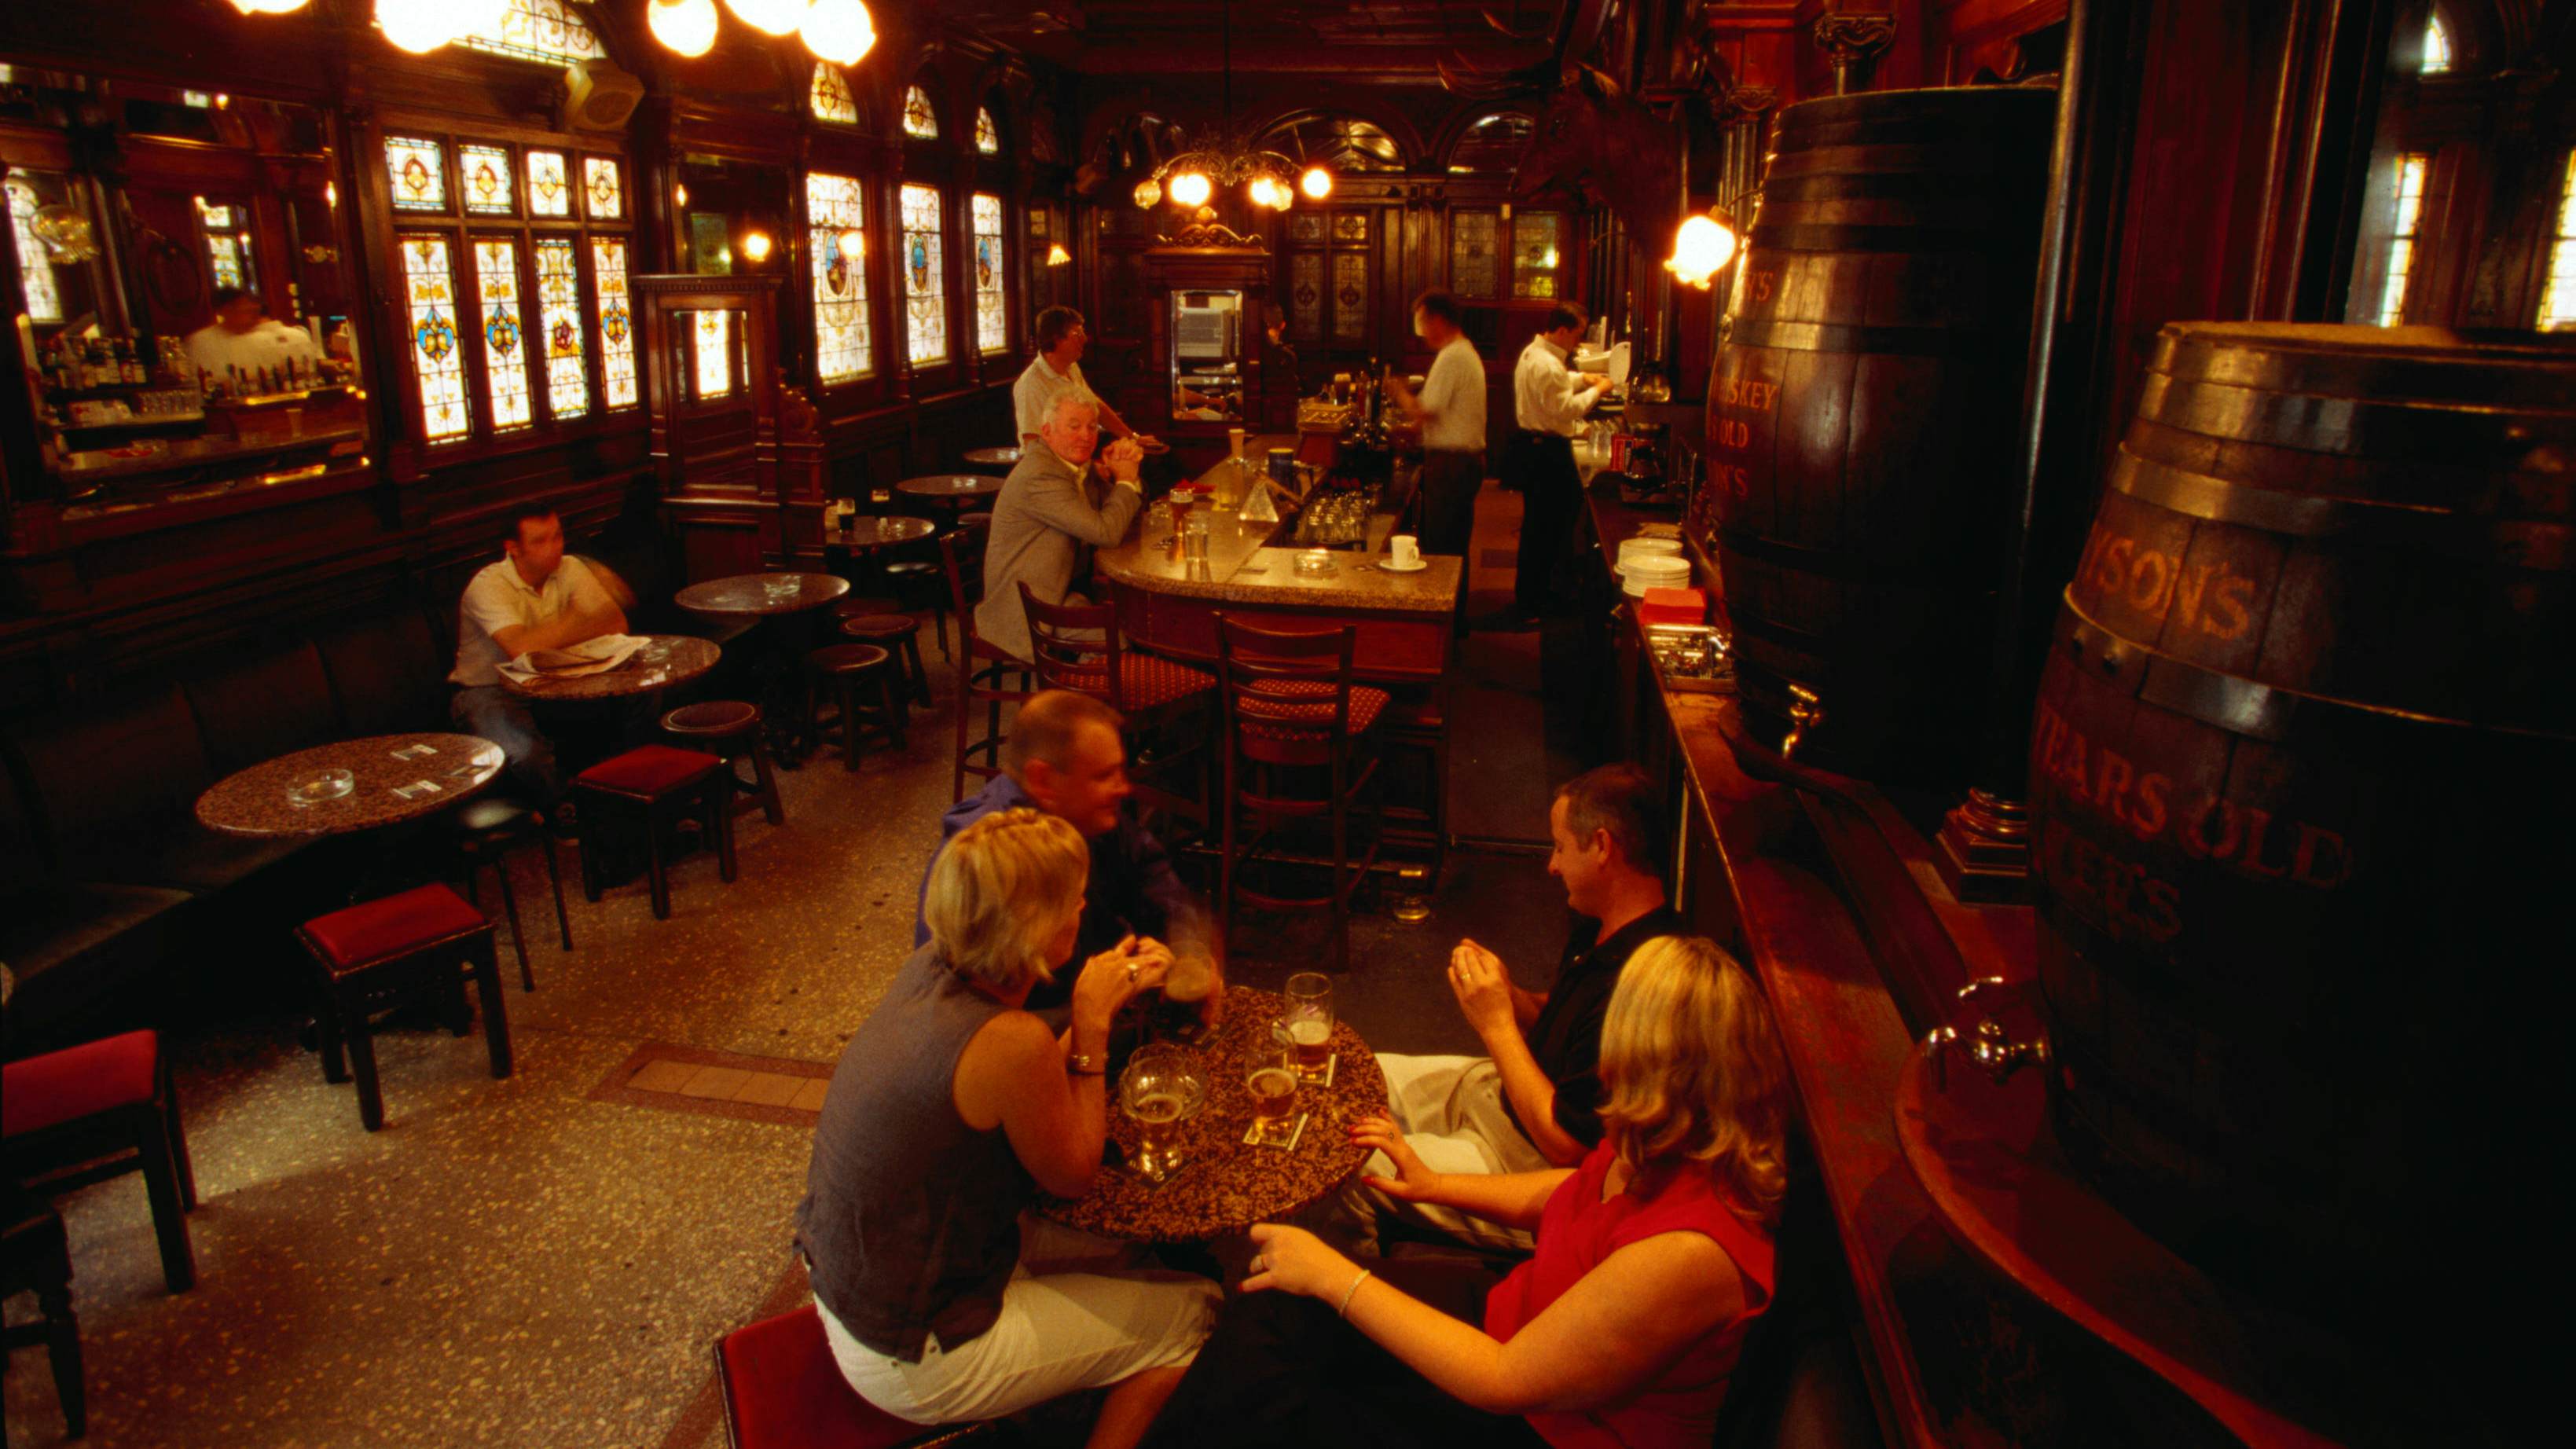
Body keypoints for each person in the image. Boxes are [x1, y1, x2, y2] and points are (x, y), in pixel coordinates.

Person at [1138, 934, 1789, 1449]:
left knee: (1287, 1356)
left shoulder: (1690, 1253)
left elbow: (1504, 1383)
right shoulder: (1672, 1139)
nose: (1605, 1065)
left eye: (1621, 1044)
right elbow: (1573, 1191)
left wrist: (1335, 1277)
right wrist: (1433, 1184)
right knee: (1276, 1314)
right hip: (1515, 1317)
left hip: (1545, 1423)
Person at [799, 809, 1218, 1447]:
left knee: (1135, 1255)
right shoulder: (1010, 1038)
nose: (1084, 907)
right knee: (1195, 1310)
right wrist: (1092, 1019)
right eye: (1075, 902)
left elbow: (1015, 1081)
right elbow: (1074, 1173)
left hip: (850, 1288)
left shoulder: (930, 968)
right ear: (1043, 929)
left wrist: (1102, 1002)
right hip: (917, 1349)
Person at [1340, 763, 1677, 1253]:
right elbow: (1568, 1026)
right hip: (1500, 1094)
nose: (1552, 866)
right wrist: (1512, 998)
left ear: (1603, 847)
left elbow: (1569, 1146)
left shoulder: (1645, 984)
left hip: (1527, 1165)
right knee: (1351, 1073)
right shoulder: (1602, 918)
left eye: (1561, 847)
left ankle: (1342, 1296)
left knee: (1342, 1165)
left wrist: (1496, 1024)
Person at [916, 689, 1220, 1023]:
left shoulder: (1084, 812)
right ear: (1042, 779)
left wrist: (1187, 951)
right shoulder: (988, 865)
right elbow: (980, 1027)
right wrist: (1116, 993)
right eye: (1104, 776)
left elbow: (1148, 869)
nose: (1124, 788)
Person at [447, 507, 627, 810]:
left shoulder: (569, 567)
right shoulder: (488, 585)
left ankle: (620, 794)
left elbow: (616, 623)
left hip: (554, 679)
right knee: (526, 752)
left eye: (557, 536)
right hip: (488, 689)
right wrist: (580, 619)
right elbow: (520, 649)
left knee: (637, 700)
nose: (555, 548)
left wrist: (565, 630)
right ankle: (567, 811)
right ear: (513, 548)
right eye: (540, 541)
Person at [978, 394, 1146, 664]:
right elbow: (1106, 533)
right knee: (1121, 640)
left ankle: (1081, 692)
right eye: (1074, 426)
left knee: (1133, 624)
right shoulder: (1041, 474)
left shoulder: (1073, 464)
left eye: (1092, 427)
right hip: (1026, 608)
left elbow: (1121, 517)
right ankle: (1075, 701)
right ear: (1047, 431)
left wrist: (1121, 473)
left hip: (1062, 590)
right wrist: (1125, 480)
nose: (1085, 436)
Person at [1506, 303, 1613, 622]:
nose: (1578, 342)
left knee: (1541, 527)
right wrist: (1600, 390)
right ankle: (1533, 603)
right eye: (1578, 334)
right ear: (1563, 330)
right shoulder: (1547, 365)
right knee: (1548, 529)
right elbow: (1565, 409)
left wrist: (1582, 377)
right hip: (1547, 452)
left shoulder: (1535, 354)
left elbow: (1555, 383)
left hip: (1535, 448)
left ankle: (1537, 595)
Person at [1383, 290, 1487, 561]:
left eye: (1423, 324)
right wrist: (1411, 430)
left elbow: (1425, 410)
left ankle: (1447, 603)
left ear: (1438, 320)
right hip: (1461, 463)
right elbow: (1442, 413)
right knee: (1453, 543)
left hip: (1451, 464)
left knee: (1444, 551)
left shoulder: (1452, 356)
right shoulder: (1463, 352)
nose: (1423, 333)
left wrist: (1398, 391)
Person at [1015, 306, 1143, 445]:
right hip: (1050, 464)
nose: (1085, 339)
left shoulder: (1071, 367)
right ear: (1056, 339)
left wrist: (1133, 438)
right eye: (1078, 335)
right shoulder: (1031, 383)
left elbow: (1094, 404)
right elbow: (1031, 441)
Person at [184, 286, 325, 388]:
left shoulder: (260, 338)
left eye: (255, 311)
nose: (254, 316)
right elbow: (202, 384)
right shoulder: (201, 341)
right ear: (225, 310)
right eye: (246, 310)